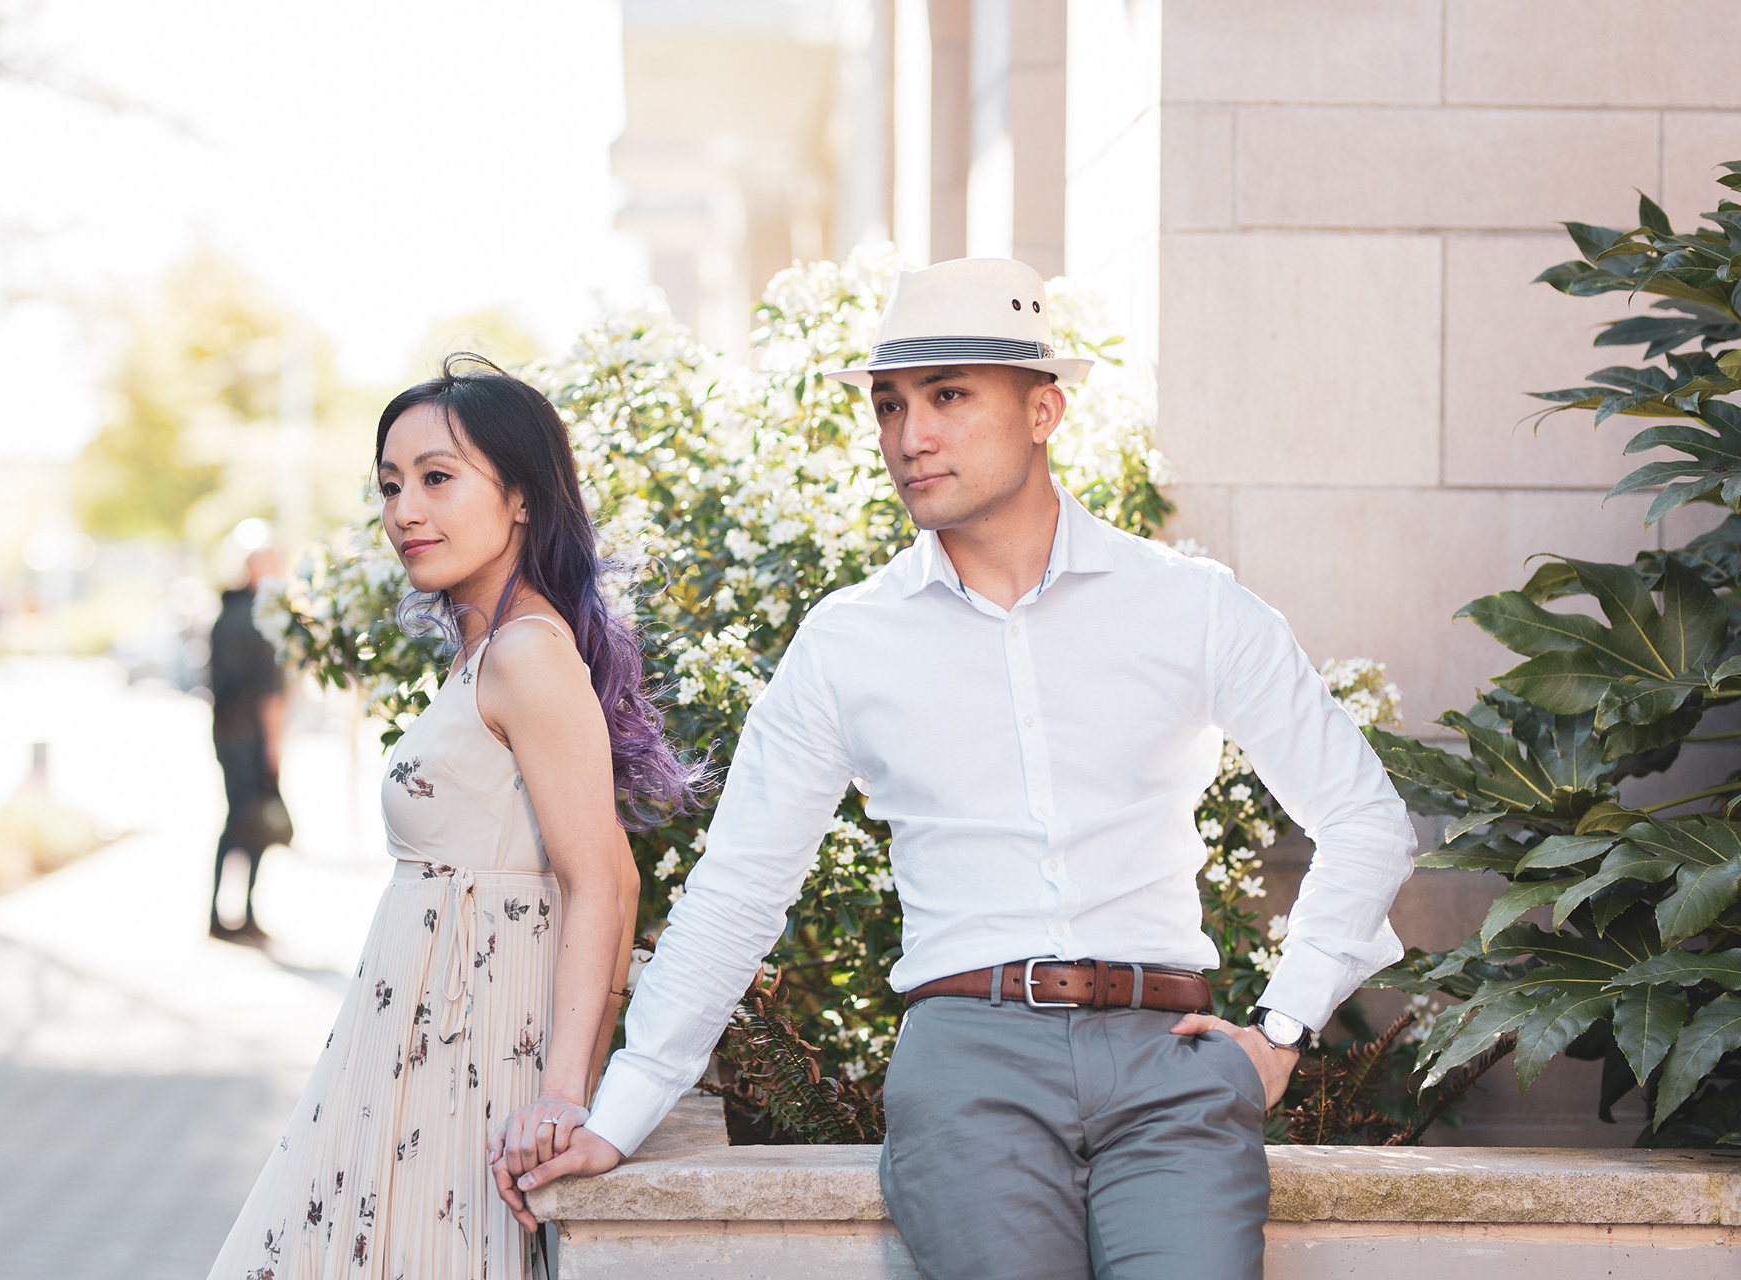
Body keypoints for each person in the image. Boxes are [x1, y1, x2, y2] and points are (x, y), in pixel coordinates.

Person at [504, 259, 1417, 1279]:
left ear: (1044, 409)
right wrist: (617, 1114)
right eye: (890, 405)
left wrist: (1281, 1031)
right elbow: (736, 893)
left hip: (1170, 1062)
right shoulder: (847, 643)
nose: (910, 436)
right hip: (968, 1064)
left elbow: (1367, 821)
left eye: (948, 396)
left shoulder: (1193, 607)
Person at [206, 357, 695, 1280]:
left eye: (438, 477)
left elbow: (606, 880)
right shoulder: (486, 650)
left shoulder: (527, 652)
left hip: (473, 1051)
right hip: (412, 1044)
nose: (405, 511)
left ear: (522, 497)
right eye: (391, 485)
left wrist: (563, 1095)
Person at [209, 527, 288, 945]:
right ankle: (239, 915)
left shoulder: (226, 612)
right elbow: (269, 693)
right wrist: (274, 747)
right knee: (250, 824)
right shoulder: (260, 617)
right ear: (254, 565)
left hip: (226, 734)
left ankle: (222, 913)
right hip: (250, 738)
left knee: (236, 821)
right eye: (273, 560)